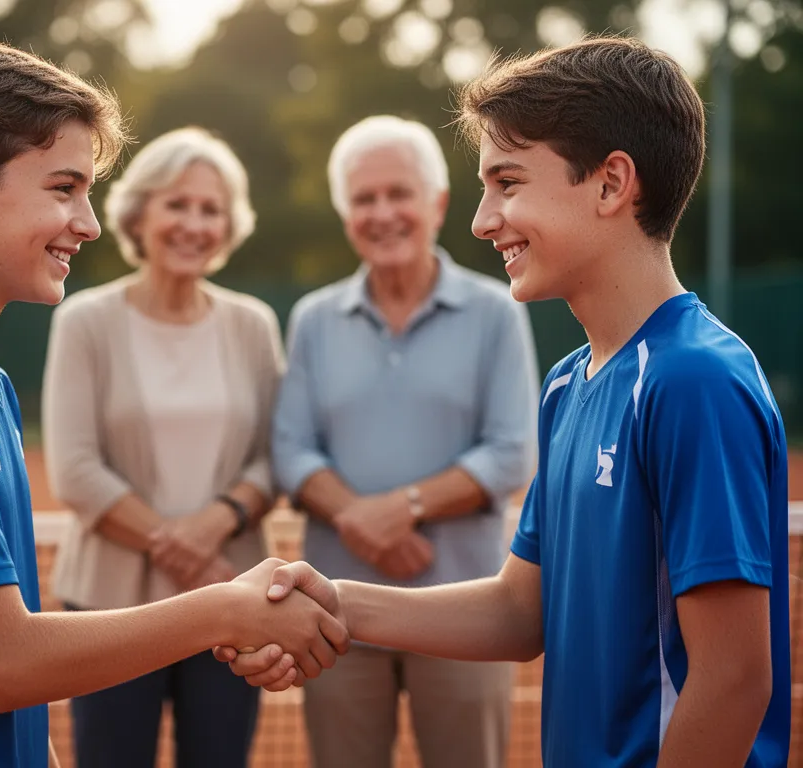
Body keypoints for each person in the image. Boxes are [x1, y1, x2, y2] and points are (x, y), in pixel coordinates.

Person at [219, 37, 789, 768]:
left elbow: (734, 679)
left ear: (612, 184)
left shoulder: (693, 382)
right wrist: (329, 599)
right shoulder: (569, 382)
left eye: (508, 183)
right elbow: (520, 611)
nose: (484, 220)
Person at [0, 38, 347, 768]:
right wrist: (226, 606)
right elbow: (4, 665)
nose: (89, 224)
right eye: (63, 189)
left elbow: (4, 668)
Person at [268, 115, 539, 768]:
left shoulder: (496, 310)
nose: (382, 212)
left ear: (438, 203)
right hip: (333, 620)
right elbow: (291, 449)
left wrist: (401, 509)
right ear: (345, 214)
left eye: (399, 194)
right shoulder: (313, 319)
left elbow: (511, 450)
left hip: (466, 616)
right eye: (364, 199)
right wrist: (362, 520)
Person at [41, 126, 284, 768]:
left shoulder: (253, 324)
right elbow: (74, 469)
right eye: (177, 203)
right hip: (108, 608)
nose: (193, 223)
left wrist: (211, 529)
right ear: (139, 212)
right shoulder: (84, 320)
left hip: (233, 601)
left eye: (211, 209)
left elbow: (274, 455)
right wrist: (185, 557)